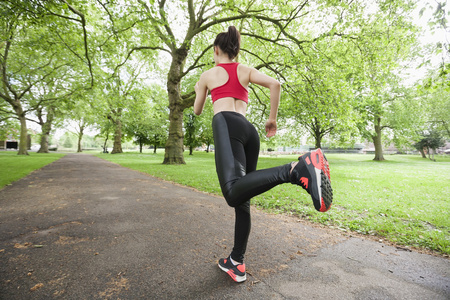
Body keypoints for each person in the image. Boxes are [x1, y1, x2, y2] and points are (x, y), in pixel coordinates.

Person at [194, 26, 333, 283]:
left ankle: (296, 169)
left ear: (216, 50)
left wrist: (199, 88)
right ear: (235, 51)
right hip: (249, 132)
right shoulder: (244, 70)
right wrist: (272, 119)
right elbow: (275, 83)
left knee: (233, 193)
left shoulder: (207, 74)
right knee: (243, 198)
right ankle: (236, 262)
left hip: (226, 124)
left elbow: (198, 110)